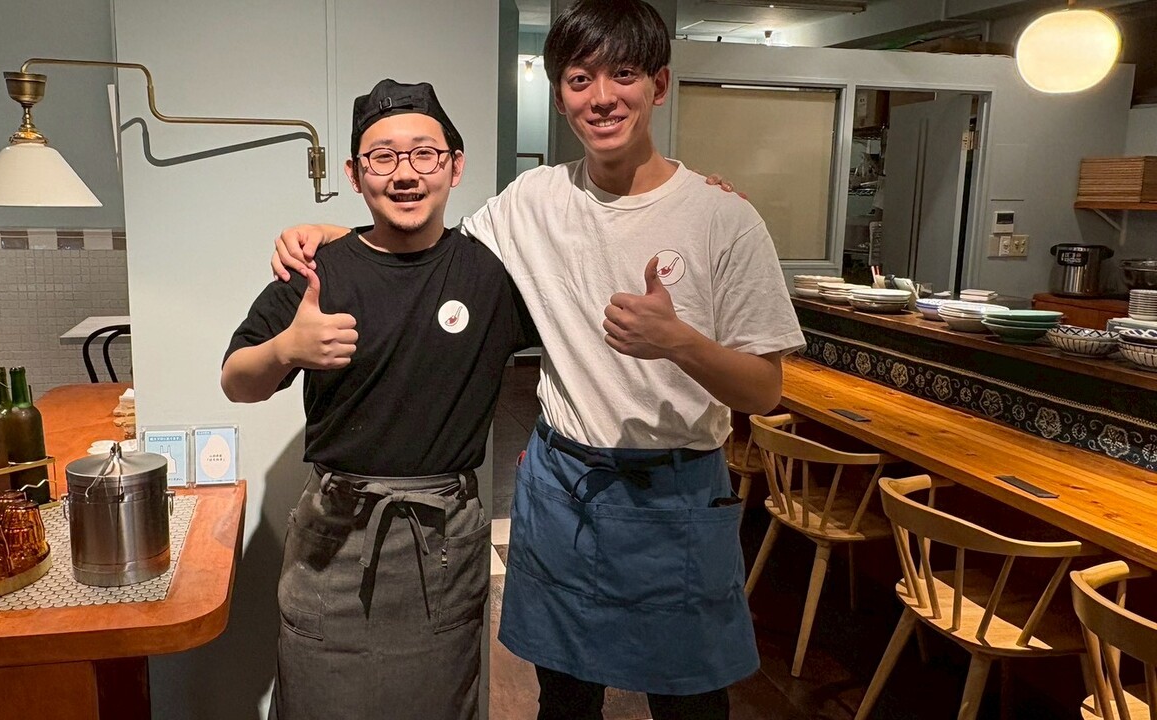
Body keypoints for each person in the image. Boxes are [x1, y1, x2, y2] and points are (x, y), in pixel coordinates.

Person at [270, 2, 806, 717]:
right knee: (565, 695)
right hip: (565, 484)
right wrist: (334, 235)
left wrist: (679, 341)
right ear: (560, 94)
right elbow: (432, 247)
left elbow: (767, 389)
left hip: (675, 491)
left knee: (690, 702)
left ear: (660, 84)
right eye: (581, 78)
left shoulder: (722, 218)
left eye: (624, 74)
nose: (602, 97)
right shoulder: (534, 198)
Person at [221, 78, 538, 720]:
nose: (405, 173)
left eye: (424, 153)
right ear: (355, 173)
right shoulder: (320, 270)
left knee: (438, 702)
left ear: (455, 164)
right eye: (383, 157)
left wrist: (698, 198)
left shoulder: (491, 275)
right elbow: (236, 378)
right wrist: (286, 349)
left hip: (443, 536)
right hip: (335, 533)